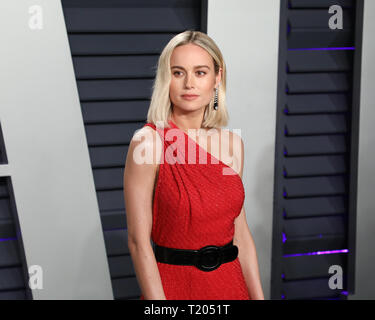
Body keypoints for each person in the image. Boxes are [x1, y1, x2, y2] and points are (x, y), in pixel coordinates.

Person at [123, 30, 264, 300]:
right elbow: (138, 241)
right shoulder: (148, 143)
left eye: (200, 72)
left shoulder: (232, 145)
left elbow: (241, 235)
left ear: (217, 78)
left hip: (230, 285)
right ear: (166, 79)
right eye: (178, 73)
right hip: (173, 288)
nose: (189, 83)